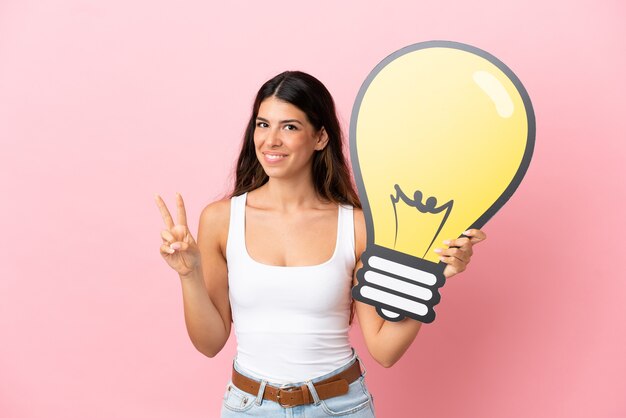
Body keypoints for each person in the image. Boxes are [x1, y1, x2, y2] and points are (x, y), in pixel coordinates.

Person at [154, 71, 486, 417]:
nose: (271, 140)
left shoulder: (357, 225)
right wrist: (189, 274)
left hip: (340, 406)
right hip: (248, 407)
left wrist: (431, 275)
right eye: (263, 124)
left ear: (321, 137)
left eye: (290, 127)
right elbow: (209, 343)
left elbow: (385, 350)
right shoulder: (220, 219)